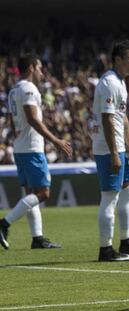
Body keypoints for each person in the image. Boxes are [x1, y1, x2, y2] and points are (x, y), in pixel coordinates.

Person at [0, 54, 72, 250]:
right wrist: (55, 140)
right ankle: (4, 223)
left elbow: (14, 122)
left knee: (30, 193)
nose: (42, 72)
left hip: (21, 147)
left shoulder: (14, 90)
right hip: (31, 148)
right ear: (31, 68)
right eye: (40, 68)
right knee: (43, 193)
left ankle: (37, 238)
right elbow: (32, 118)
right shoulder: (29, 88)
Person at [91, 40, 129, 262]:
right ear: (118, 60)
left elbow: (121, 117)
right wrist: (115, 153)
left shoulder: (119, 82)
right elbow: (108, 119)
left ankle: (127, 241)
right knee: (109, 197)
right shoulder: (109, 83)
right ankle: (105, 250)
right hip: (108, 148)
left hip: (118, 146)